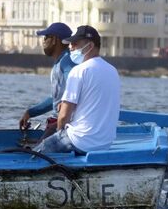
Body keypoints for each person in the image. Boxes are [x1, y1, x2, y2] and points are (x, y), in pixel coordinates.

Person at [35, 25, 121, 155]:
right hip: (104, 144)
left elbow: (63, 116)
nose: (70, 47)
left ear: (90, 46)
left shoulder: (79, 71)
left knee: (36, 153)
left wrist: (59, 131)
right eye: (70, 44)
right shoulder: (113, 71)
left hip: (80, 141)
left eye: (75, 44)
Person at [19, 22, 75, 135]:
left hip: (62, 123)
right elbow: (55, 99)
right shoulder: (59, 62)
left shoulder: (66, 62)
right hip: (56, 121)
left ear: (55, 39)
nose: (43, 41)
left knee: (37, 151)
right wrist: (30, 113)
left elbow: (74, 88)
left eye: (46, 37)